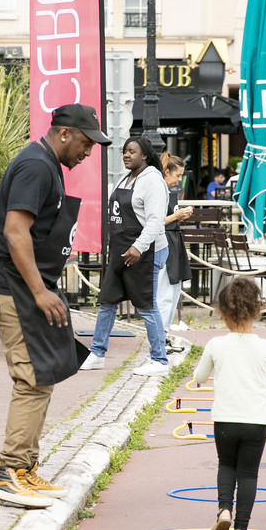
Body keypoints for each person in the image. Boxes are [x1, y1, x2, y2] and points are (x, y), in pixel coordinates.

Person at [0, 103, 111, 509]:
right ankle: (10, 473)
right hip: (10, 285)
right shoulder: (36, 165)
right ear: (65, 134)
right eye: (86, 143)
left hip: (18, 284)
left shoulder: (46, 164)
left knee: (44, 373)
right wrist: (39, 291)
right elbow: (15, 233)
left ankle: (25, 467)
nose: (89, 153)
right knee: (32, 378)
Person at [193, 277, 266, 530]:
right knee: (248, 473)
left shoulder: (215, 344)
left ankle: (224, 510)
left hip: (225, 419)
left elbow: (199, 377)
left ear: (222, 314)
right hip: (255, 421)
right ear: (257, 312)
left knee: (226, 465)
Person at [80, 133, 171, 376]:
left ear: (144, 155)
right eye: (124, 151)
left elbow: (155, 222)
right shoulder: (125, 179)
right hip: (121, 251)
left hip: (146, 251)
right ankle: (97, 353)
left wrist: (138, 247)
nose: (126, 155)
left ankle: (160, 360)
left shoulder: (152, 180)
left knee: (146, 305)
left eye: (132, 151)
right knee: (107, 301)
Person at [157, 152, 193, 344]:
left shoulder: (168, 191)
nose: (179, 180)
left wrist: (178, 216)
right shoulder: (159, 190)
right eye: (177, 175)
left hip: (173, 240)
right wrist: (177, 216)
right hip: (164, 242)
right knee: (165, 291)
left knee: (174, 289)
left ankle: (164, 332)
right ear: (166, 172)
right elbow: (155, 221)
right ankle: (160, 335)